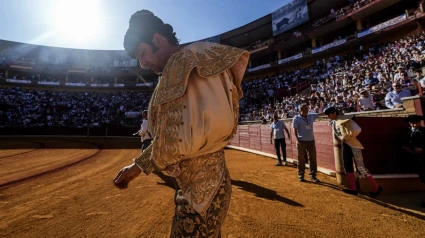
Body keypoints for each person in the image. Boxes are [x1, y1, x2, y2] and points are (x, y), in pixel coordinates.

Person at [113, 10, 250, 237]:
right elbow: (175, 135)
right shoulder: (194, 59)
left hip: (200, 195)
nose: (142, 63)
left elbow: (173, 142)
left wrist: (140, 165)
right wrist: (138, 166)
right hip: (209, 184)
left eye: (142, 53)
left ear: (157, 39)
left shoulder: (180, 64)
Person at [324, 107, 383, 197]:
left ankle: (376, 187)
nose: (328, 117)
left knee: (360, 167)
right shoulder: (335, 121)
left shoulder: (345, 119)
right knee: (347, 165)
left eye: (329, 115)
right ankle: (353, 188)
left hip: (354, 145)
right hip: (346, 145)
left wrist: (346, 138)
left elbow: (357, 129)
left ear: (334, 113)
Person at [292, 103, 324, 182]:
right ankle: (301, 175)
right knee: (301, 159)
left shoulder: (310, 116)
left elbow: (320, 114)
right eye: (305, 109)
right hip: (301, 141)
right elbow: (295, 130)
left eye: (307, 108)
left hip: (311, 141)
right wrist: (297, 140)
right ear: (301, 110)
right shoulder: (296, 118)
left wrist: (330, 111)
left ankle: (313, 176)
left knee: (312, 158)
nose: (307, 110)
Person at [402, 115, 425, 207]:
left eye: (418, 122)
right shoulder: (407, 132)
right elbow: (403, 144)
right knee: (423, 178)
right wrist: (412, 149)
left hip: (424, 156)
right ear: (410, 123)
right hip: (416, 158)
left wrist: (422, 149)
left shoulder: (424, 131)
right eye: (414, 123)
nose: (416, 125)